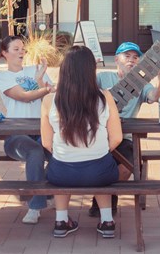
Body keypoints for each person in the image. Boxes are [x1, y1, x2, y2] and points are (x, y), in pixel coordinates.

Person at [41, 46, 123, 239]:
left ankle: (61, 221)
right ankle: (107, 221)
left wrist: (68, 153)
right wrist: (99, 150)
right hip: (99, 172)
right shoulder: (105, 97)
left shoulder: (49, 100)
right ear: (90, 70)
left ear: (64, 70)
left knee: (59, 165)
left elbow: (46, 142)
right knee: (102, 165)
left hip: (61, 173)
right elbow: (117, 137)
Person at [93, 41, 160, 217]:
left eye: (135, 57)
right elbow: (84, 93)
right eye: (127, 56)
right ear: (116, 59)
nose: (131, 60)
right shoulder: (102, 77)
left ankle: (105, 199)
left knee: (127, 167)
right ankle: (105, 202)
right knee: (94, 163)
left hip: (126, 137)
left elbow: (155, 97)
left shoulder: (141, 83)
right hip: (100, 135)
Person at [0, 35, 55, 225]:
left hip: (42, 130)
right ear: (4, 53)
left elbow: (50, 96)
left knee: (62, 154)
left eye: (23, 48)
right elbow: (23, 97)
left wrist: (39, 78)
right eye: (16, 49)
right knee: (35, 152)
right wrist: (45, 88)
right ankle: (35, 206)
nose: (21, 52)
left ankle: (41, 191)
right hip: (17, 134)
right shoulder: (2, 76)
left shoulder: (36, 70)